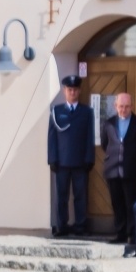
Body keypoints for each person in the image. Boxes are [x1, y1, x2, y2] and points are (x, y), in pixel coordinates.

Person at [47, 74, 95, 237]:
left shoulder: (87, 112)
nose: (72, 92)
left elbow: (89, 137)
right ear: (64, 91)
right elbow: (52, 137)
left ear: (79, 91)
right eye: (69, 90)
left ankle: (80, 225)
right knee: (62, 197)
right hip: (61, 163)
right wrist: (52, 159)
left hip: (81, 163)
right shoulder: (56, 111)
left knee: (80, 196)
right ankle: (62, 226)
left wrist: (90, 158)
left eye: (75, 90)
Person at [100, 93, 136, 244]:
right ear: (115, 106)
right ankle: (121, 233)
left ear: (132, 106)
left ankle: (133, 234)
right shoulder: (108, 123)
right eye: (120, 106)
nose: (123, 110)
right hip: (112, 170)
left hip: (132, 171)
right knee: (117, 203)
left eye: (126, 106)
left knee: (132, 203)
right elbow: (105, 144)